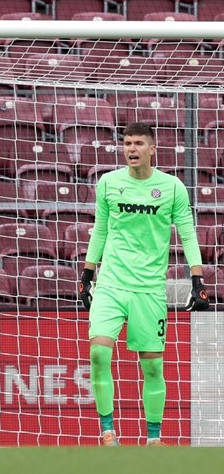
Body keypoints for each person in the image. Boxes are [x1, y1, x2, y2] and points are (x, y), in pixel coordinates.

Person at [78, 122, 209, 447]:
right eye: (127, 143)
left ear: (153, 149)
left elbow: (188, 233)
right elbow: (101, 229)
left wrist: (197, 279)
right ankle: (107, 432)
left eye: (138, 143)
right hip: (111, 284)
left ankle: (153, 439)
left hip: (149, 289)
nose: (131, 149)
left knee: (151, 366)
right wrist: (86, 274)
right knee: (98, 354)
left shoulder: (172, 187)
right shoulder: (108, 183)